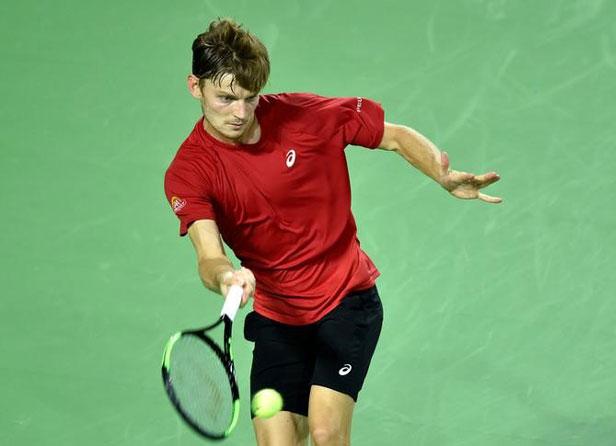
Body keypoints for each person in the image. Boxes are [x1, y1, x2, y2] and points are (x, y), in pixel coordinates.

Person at [164, 18, 501, 446]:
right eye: (226, 99)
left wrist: (442, 173)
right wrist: (226, 276)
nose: (240, 113)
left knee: (324, 434)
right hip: (278, 316)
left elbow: (392, 136)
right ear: (196, 87)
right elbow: (208, 255)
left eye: (250, 99)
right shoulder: (189, 172)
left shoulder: (304, 117)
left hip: (345, 300)